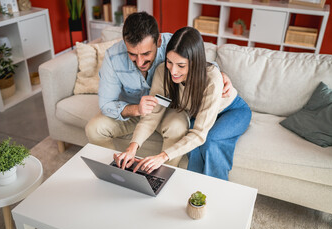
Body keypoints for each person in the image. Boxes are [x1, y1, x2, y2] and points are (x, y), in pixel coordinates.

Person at [85, 12, 232, 167]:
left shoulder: (172, 45)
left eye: (146, 53)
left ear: (159, 41)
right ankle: (115, 170)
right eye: (132, 54)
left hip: (168, 109)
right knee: (93, 128)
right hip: (133, 109)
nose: (140, 62)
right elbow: (107, 104)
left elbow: (196, 60)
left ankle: (162, 176)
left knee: (178, 127)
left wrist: (218, 73)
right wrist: (136, 110)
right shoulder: (113, 57)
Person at [115, 27, 252, 181]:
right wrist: (132, 148)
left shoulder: (212, 79)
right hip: (198, 113)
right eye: (169, 62)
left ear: (195, 63)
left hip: (231, 110)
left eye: (181, 65)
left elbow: (200, 134)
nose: (173, 71)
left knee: (211, 142)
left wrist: (162, 157)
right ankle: (193, 189)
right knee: (191, 147)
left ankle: (216, 193)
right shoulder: (162, 72)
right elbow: (152, 115)